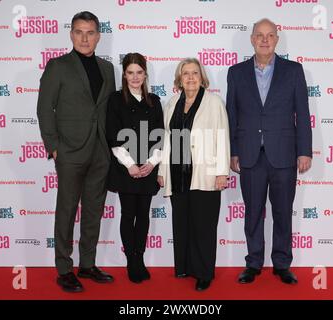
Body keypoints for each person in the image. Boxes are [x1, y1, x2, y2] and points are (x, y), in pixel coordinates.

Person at [226, 18, 312, 285]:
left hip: (284, 155)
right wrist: (233, 151)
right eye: (259, 35)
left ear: (277, 39)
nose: (265, 40)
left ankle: (282, 263)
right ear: (252, 39)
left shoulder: (294, 70)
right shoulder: (236, 72)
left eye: (270, 35)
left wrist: (305, 151)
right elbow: (232, 115)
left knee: (283, 211)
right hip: (250, 154)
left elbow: (303, 113)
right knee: (252, 212)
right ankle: (253, 263)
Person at [37, 11, 116, 293]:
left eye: (90, 32)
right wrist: (54, 147)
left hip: (100, 152)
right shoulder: (58, 66)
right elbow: (45, 108)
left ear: (98, 35)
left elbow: (109, 111)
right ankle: (64, 268)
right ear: (71, 34)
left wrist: (111, 148)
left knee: (94, 210)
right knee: (67, 210)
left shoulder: (107, 69)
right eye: (79, 32)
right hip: (69, 151)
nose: (85, 38)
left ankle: (88, 264)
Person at [157, 58, 230, 291]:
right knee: (183, 223)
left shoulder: (214, 102)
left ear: (202, 77)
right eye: (185, 73)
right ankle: (185, 266)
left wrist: (221, 172)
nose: (190, 77)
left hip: (205, 173)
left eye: (195, 73)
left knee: (204, 227)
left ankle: (204, 272)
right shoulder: (171, 103)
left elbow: (222, 138)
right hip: (178, 174)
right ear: (179, 79)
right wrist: (162, 171)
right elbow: (165, 141)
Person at [106, 53, 164, 283]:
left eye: (139, 72)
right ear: (124, 74)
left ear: (145, 74)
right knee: (128, 213)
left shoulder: (155, 101)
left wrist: (152, 162)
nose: (135, 77)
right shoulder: (115, 100)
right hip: (125, 168)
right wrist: (130, 165)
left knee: (143, 215)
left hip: (149, 168)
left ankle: (139, 256)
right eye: (130, 72)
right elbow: (113, 136)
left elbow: (162, 136)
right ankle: (131, 259)